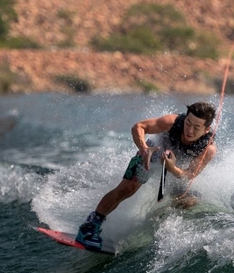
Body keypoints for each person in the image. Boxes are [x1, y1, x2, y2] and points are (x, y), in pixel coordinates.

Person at [76, 101, 217, 251]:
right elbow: (139, 127)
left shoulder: (208, 149)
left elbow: (188, 175)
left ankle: (158, 227)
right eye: (188, 123)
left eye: (196, 127)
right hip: (152, 153)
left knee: (189, 201)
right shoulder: (172, 122)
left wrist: (172, 168)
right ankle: (89, 227)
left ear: (207, 129)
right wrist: (144, 149)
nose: (189, 130)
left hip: (175, 167)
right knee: (127, 189)